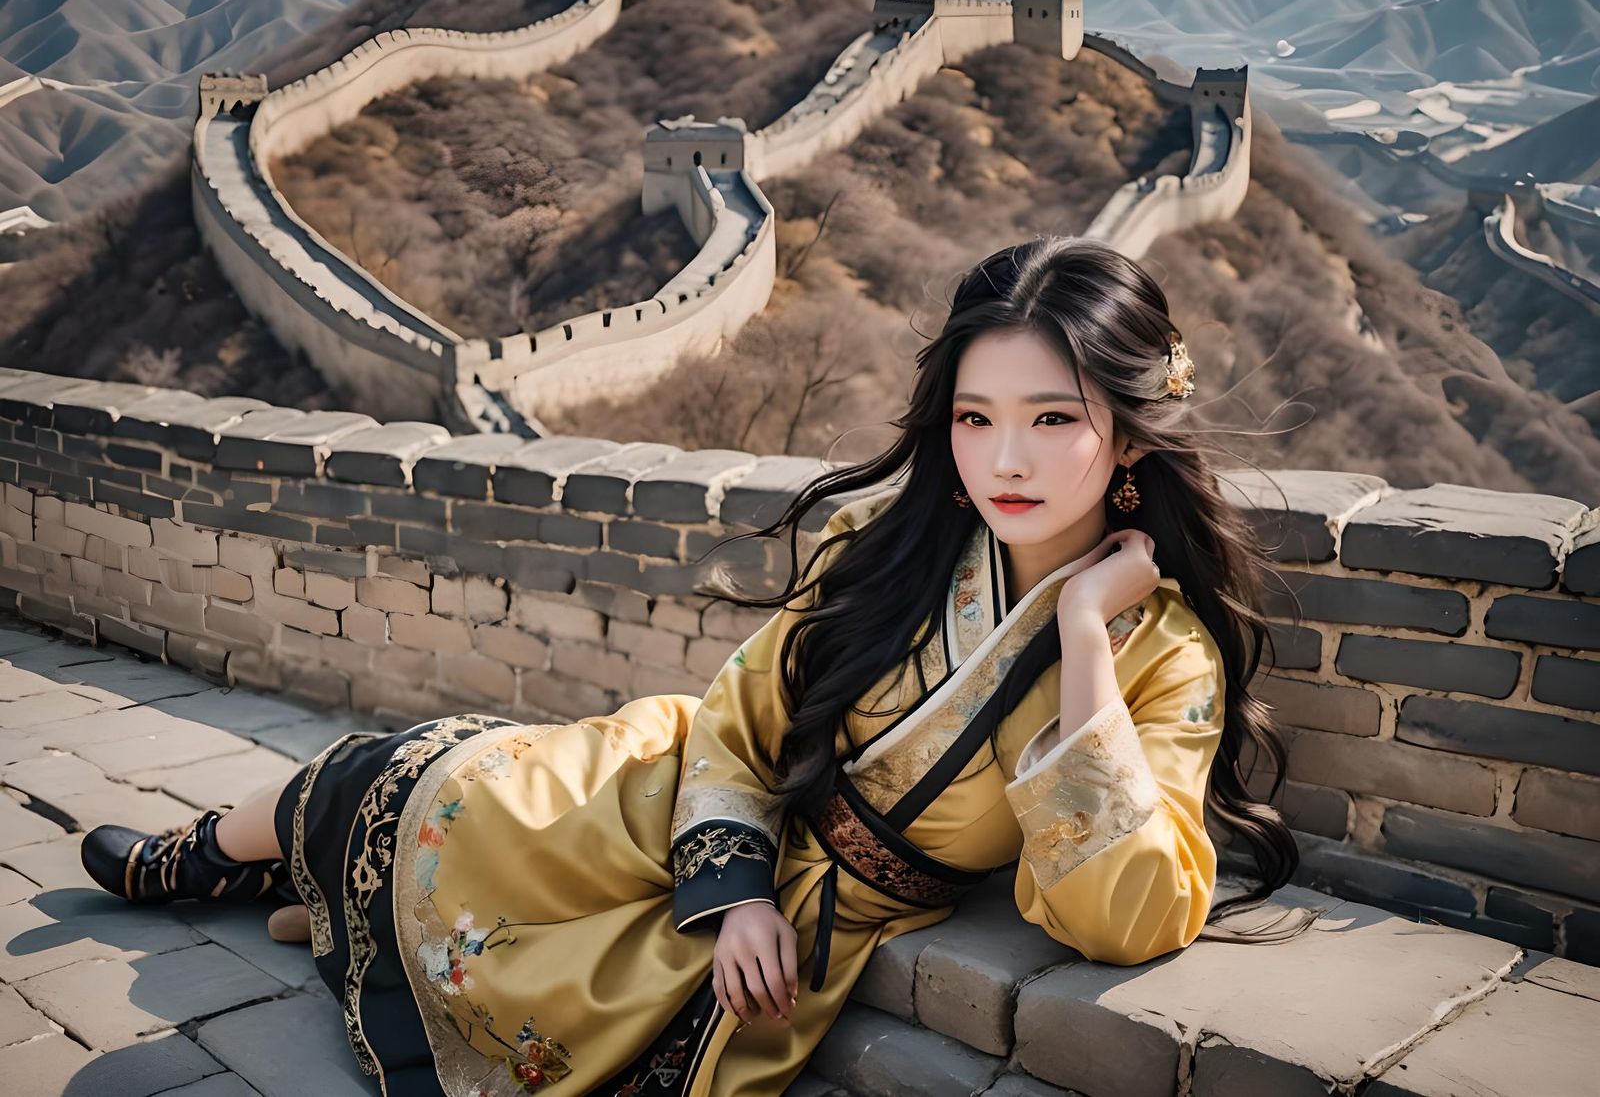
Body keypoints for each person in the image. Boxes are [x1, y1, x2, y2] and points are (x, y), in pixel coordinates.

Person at [81, 236, 1315, 1097]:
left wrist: (1088, 632)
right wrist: (733, 891)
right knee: (423, 779)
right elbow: (737, 718)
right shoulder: (882, 546)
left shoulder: (1162, 657)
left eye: (1054, 417)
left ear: (1130, 429)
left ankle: (318, 905)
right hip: (692, 795)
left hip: (845, 895)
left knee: (595, 1028)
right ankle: (196, 854)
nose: (1006, 456)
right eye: (973, 415)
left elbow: (1128, 914)